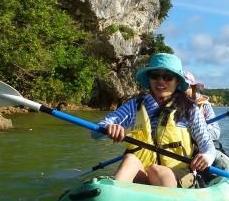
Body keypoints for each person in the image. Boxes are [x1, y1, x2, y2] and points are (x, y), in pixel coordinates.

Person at [94, 53, 215, 187]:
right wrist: (108, 128)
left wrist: (207, 157)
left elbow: (207, 145)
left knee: (156, 170)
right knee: (130, 159)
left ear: (177, 82)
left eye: (168, 77)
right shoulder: (134, 106)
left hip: (178, 175)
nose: (161, 81)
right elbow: (96, 132)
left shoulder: (189, 109)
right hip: (143, 171)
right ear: (149, 79)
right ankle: (112, 196)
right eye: (155, 76)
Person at [184, 70, 221, 144]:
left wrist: (199, 125)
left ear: (193, 87)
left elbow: (216, 134)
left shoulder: (204, 105)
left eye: (185, 86)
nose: (181, 90)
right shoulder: (170, 103)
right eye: (178, 87)